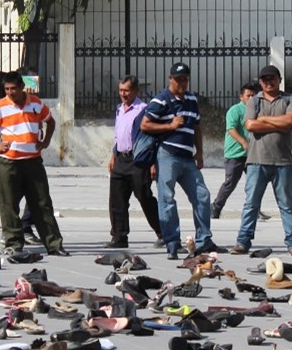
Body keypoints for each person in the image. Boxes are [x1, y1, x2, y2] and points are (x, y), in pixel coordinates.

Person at [0, 72, 69, 255]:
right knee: (9, 204)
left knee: (42, 203)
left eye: (13, 89)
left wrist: (46, 141)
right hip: (9, 163)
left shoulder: (36, 103)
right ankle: (13, 243)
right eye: (7, 89)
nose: (10, 92)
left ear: (21, 87)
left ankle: (54, 244)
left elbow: (50, 122)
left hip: (33, 161)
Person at [141, 63, 215, 259]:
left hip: (187, 158)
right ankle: (172, 242)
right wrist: (170, 125)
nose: (182, 83)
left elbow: (197, 126)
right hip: (167, 155)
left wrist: (200, 152)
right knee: (167, 199)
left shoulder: (191, 99)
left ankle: (204, 240)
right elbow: (145, 124)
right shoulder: (161, 99)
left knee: (202, 195)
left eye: (185, 79)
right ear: (170, 79)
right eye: (178, 79)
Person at [233, 65, 292, 256]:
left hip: (283, 162)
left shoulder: (290, 99)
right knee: (251, 204)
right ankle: (243, 241)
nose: (268, 82)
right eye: (264, 80)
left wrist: (263, 120)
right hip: (257, 162)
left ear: (279, 79)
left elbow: (289, 123)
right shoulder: (254, 101)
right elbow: (250, 125)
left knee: (287, 205)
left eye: (272, 78)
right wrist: (277, 123)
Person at [106, 75, 162, 248]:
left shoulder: (144, 110)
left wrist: (153, 163)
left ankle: (163, 232)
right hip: (121, 159)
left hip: (138, 160)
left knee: (144, 196)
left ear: (136, 91)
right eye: (121, 90)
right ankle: (119, 236)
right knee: (117, 200)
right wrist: (113, 155)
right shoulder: (119, 109)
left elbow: (152, 138)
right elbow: (118, 135)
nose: (123, 94)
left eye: (127, 90)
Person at [211, 83, 258, 219]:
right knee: (230, 183)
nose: (251, 98)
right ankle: (216, 206)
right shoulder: (235, 110)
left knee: (255, 182)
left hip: (251, 153)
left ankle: (254, 208)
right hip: (235, 154)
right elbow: (231, 129)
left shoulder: (257, 110)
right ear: (241, 97)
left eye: (253, 95)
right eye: (248, 95)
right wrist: (243, 142)